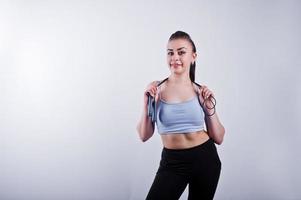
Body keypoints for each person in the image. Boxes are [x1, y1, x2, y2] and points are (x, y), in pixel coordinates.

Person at [136, 31, 225, 200]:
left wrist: (209, 108)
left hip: (205, 159)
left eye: (181, 52)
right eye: (170, 52)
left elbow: (219, 137)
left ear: (193, 56)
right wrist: (146, 101)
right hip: (172, 163)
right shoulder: (156, 89)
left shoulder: (199, 90)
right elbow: (143, 135)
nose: (175, 57)